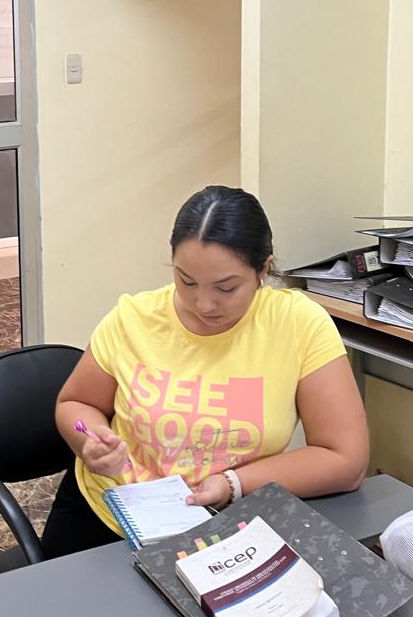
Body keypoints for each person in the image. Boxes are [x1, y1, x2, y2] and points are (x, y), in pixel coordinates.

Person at [41, 186, 369, 557]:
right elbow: (76, 403)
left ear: (263, 270)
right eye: (187, 281)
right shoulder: (133, 319)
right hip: (112, 516)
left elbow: (345, 459)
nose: (204, 304)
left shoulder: (298, 324)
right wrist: (90, 442)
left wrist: (233, 483)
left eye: (226, 288)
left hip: (232, 521)